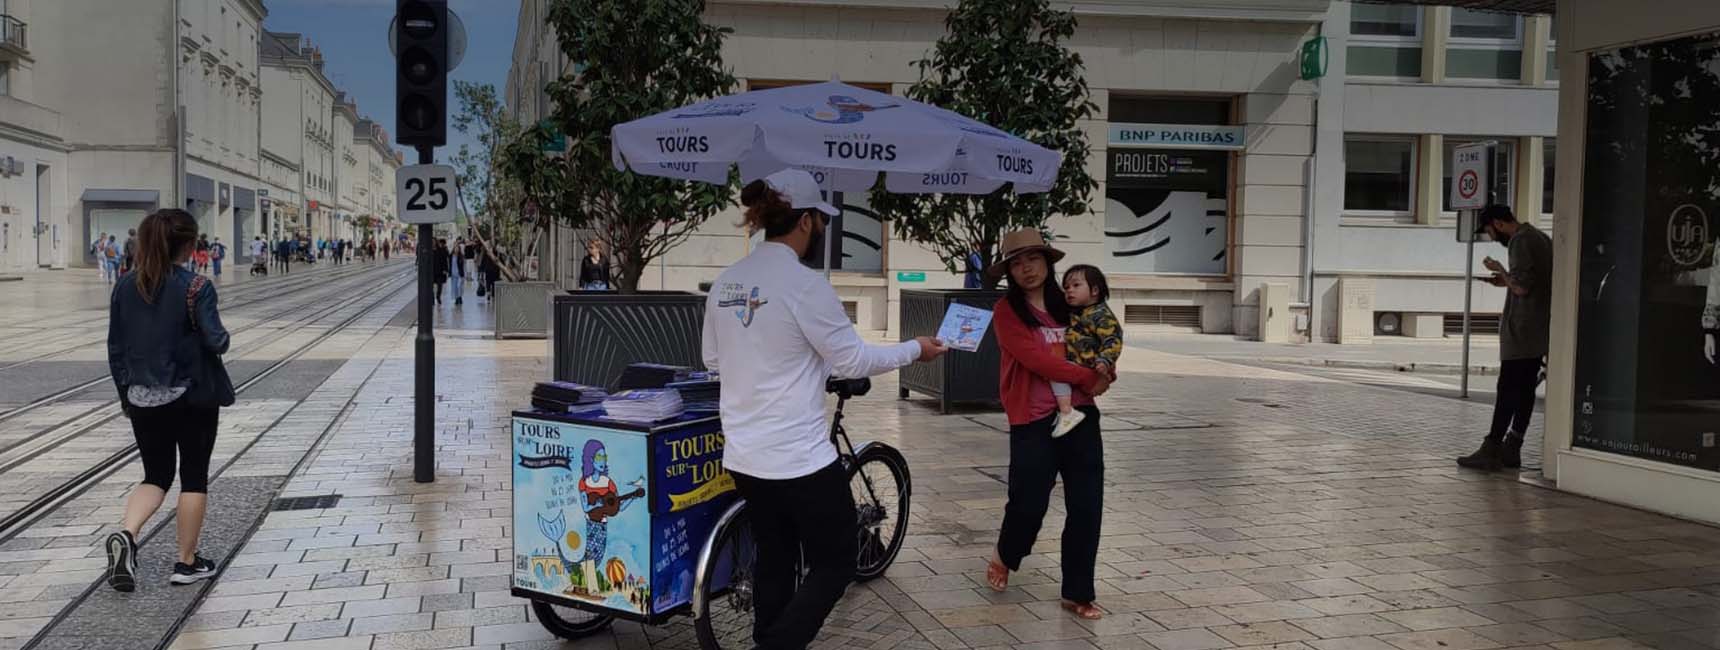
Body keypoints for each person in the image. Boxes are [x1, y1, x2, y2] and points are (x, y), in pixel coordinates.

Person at [702, 169, 949, 650]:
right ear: (805, 221)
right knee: (836, 562)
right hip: (799, 461)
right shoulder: (804, 285)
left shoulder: (727, 282)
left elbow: (714, 361)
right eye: (821, 220)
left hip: (745, 458)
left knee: (776, 557)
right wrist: (915, 349)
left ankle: (766, 639)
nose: (823, 230)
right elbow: (854, 359)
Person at [984, 229, 1113, 621]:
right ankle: (1006, 553)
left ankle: (1078, 592)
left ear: (1047, 261)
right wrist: (1087, 377)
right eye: (1017, 263)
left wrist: (1107, 369)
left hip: (1080, 417)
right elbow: (1036, 360)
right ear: (1009, 271)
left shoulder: (1071, 303)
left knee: (1086, 506)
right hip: (1034, 419)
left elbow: (1103, 338)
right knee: (1028, 503)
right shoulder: (1006, 313)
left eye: (1033, 259)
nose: (1026, 269)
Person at [103, 208, 233, 592]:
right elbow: (217, 340)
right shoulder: (197, 286)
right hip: (191, 396)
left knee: (155, 476)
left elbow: (115, 348)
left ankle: (126, 535)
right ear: (191, 244)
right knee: (193, 475)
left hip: (142, 396)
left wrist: (127, 394)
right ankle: (186, 563)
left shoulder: (125, 286)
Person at [1458, 204, 1554, 471]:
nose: (1491, 237)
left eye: (1490, 231)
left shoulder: (1520, 242)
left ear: (1498, 224)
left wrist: (1500, 270)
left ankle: (1491, 448)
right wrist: (1502, 280)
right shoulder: (1540, 237)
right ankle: (1513, 447)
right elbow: (1530, 281)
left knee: (1508, 388)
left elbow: (1521, 288)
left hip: (1522, 329)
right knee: (1525, 390)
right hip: (1538, 328)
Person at [1049, 265, 1122, 438]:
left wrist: (1104, 361)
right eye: (1066, 287)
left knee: (1054, 371)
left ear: (1095, 290)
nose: (1069, 291)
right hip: (1081, 365)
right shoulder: (1078, 312)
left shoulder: (1101, 315)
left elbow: (1113, 340)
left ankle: (1066, 411)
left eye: (1076, 285)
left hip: (1090, 365)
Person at [448, 237, 467, 306]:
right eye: (455, 247)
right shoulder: (450, 256)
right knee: (454, 287)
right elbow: (449, 264)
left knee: (459, 286)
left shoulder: (461, 256)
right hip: (453, 274)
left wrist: (464, 274)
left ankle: (460, 297)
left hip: (460, 274)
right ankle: (457, 299)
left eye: (457, 248)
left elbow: (463, 266)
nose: (456, 249)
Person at [432, 238, 450, 305]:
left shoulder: (441, 250)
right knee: (430, 287)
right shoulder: (429, 250)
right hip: (431, 272)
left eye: (434, 242)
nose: (433, 243)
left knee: (440, 286)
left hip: (440, 271)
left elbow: (445, 260)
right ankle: (432, 298)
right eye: (431, 242)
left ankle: (438, 296)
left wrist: (445, 270)